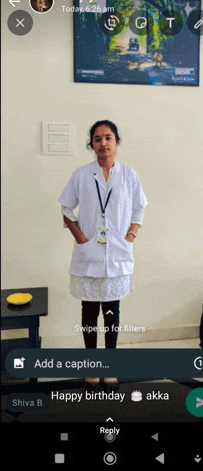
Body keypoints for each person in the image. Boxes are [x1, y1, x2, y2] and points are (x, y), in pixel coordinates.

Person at [58, 120, 148, 385]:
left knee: (111, 312)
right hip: (89, 254)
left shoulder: (129, 175)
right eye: (97, 139)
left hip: (117, 253)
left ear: (117, 142)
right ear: (92, 145)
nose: (103, 143)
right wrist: (81, 238)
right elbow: (66, 208)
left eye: (108, 137)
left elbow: (139, 208)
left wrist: (130, 235)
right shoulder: (81, 175)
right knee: (88, 312)